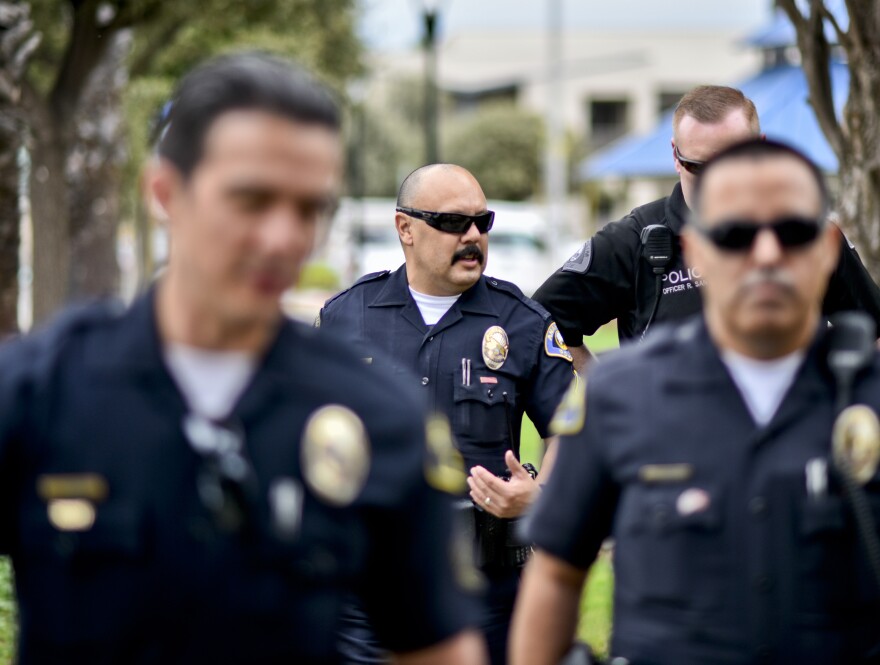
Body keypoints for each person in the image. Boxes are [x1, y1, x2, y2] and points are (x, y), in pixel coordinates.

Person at [0, 53, 486, 665]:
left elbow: (437, 647)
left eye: (309, 208)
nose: (284, 237)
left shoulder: (375, 416)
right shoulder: (40, 392)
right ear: (165, 192)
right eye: (252, 200)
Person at [510, 139, 880, 665]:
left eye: (792, 232)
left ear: (826, 249)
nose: (767, 254)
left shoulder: (869, 396)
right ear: (699, 249)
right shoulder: (619, 396)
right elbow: (555, 574)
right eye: (736, 234)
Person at [319, 163, 575, 665]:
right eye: (454, 222)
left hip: (486, 593)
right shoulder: (345, 318)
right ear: (405, 228)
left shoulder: (520, 322)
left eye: (483, 222)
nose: (474, 236)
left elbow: (572, 429)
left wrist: (538, 495)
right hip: (366, 594)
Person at [534, 85, 880, 369]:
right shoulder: (634, 240)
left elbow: (872, 332)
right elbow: (540, 322)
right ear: (675, 156)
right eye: (699, 167)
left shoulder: (811, 234)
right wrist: (608, 396)